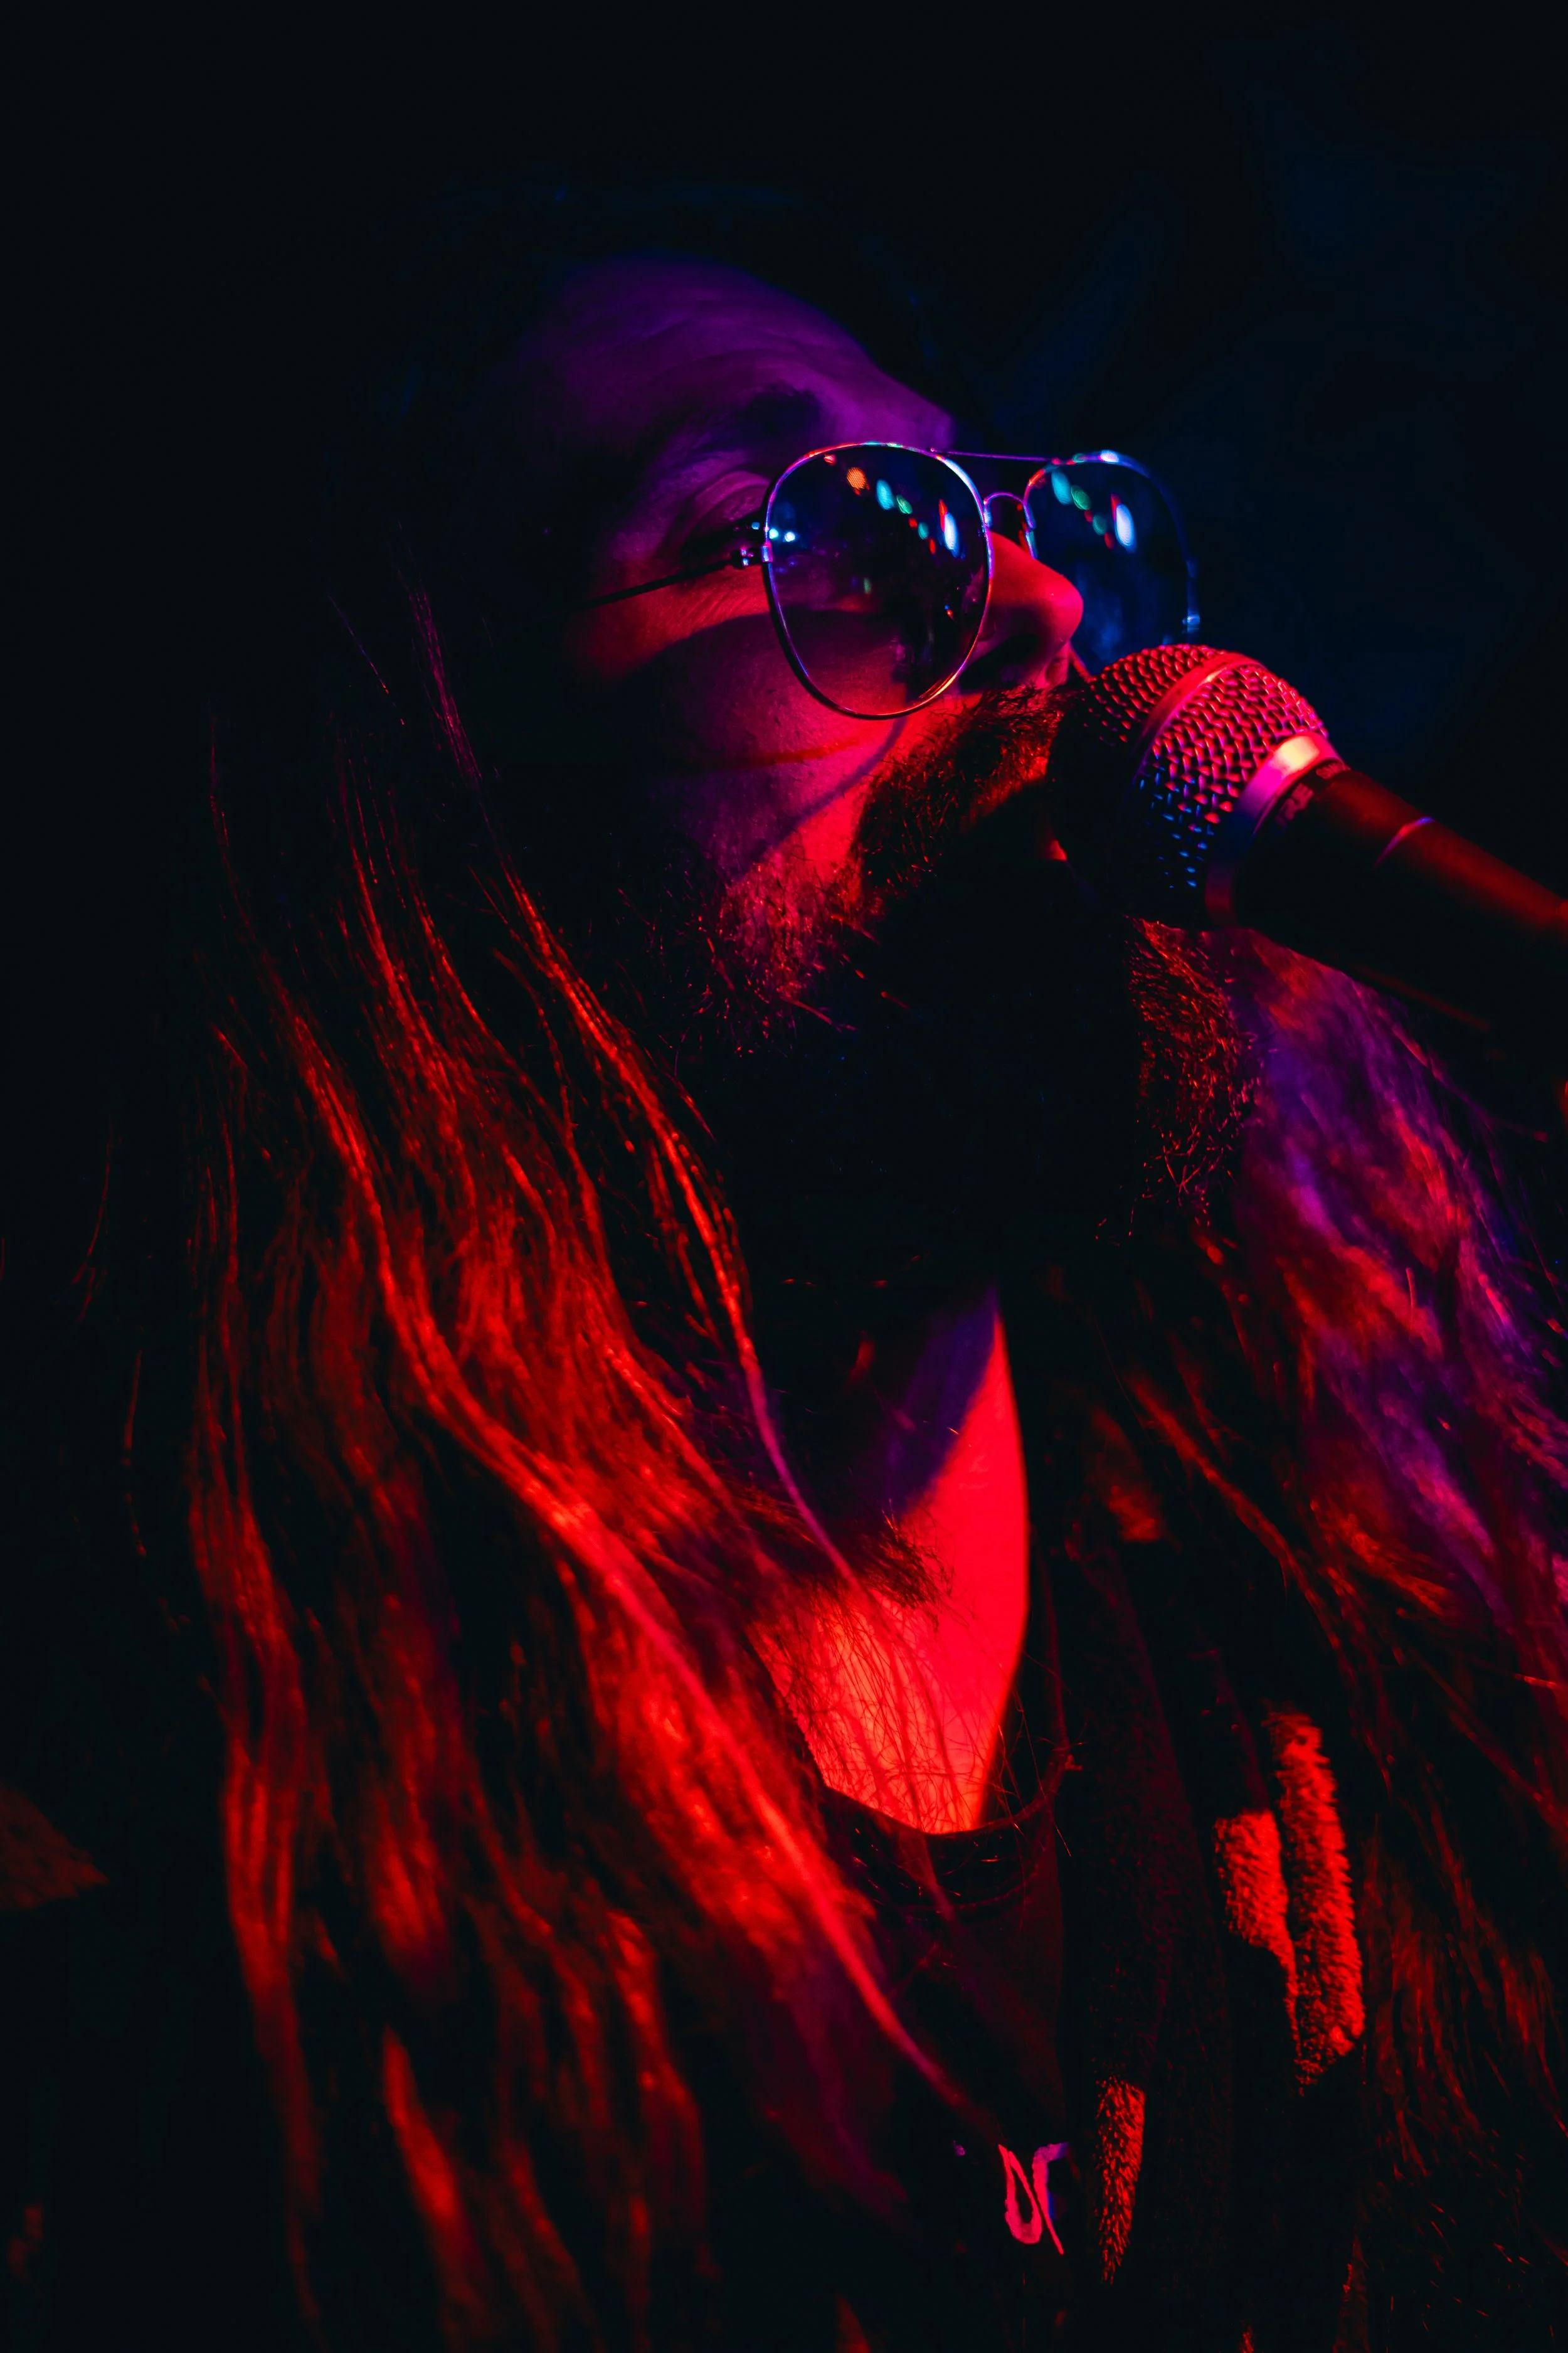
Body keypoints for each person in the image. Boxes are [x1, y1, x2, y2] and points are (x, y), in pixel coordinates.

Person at [5, 196, 1566, 2352]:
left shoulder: (1401, 1716)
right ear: (453, 822)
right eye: (821, 527)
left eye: (1019, 518)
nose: (1037, 606)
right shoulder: (155, 1889)